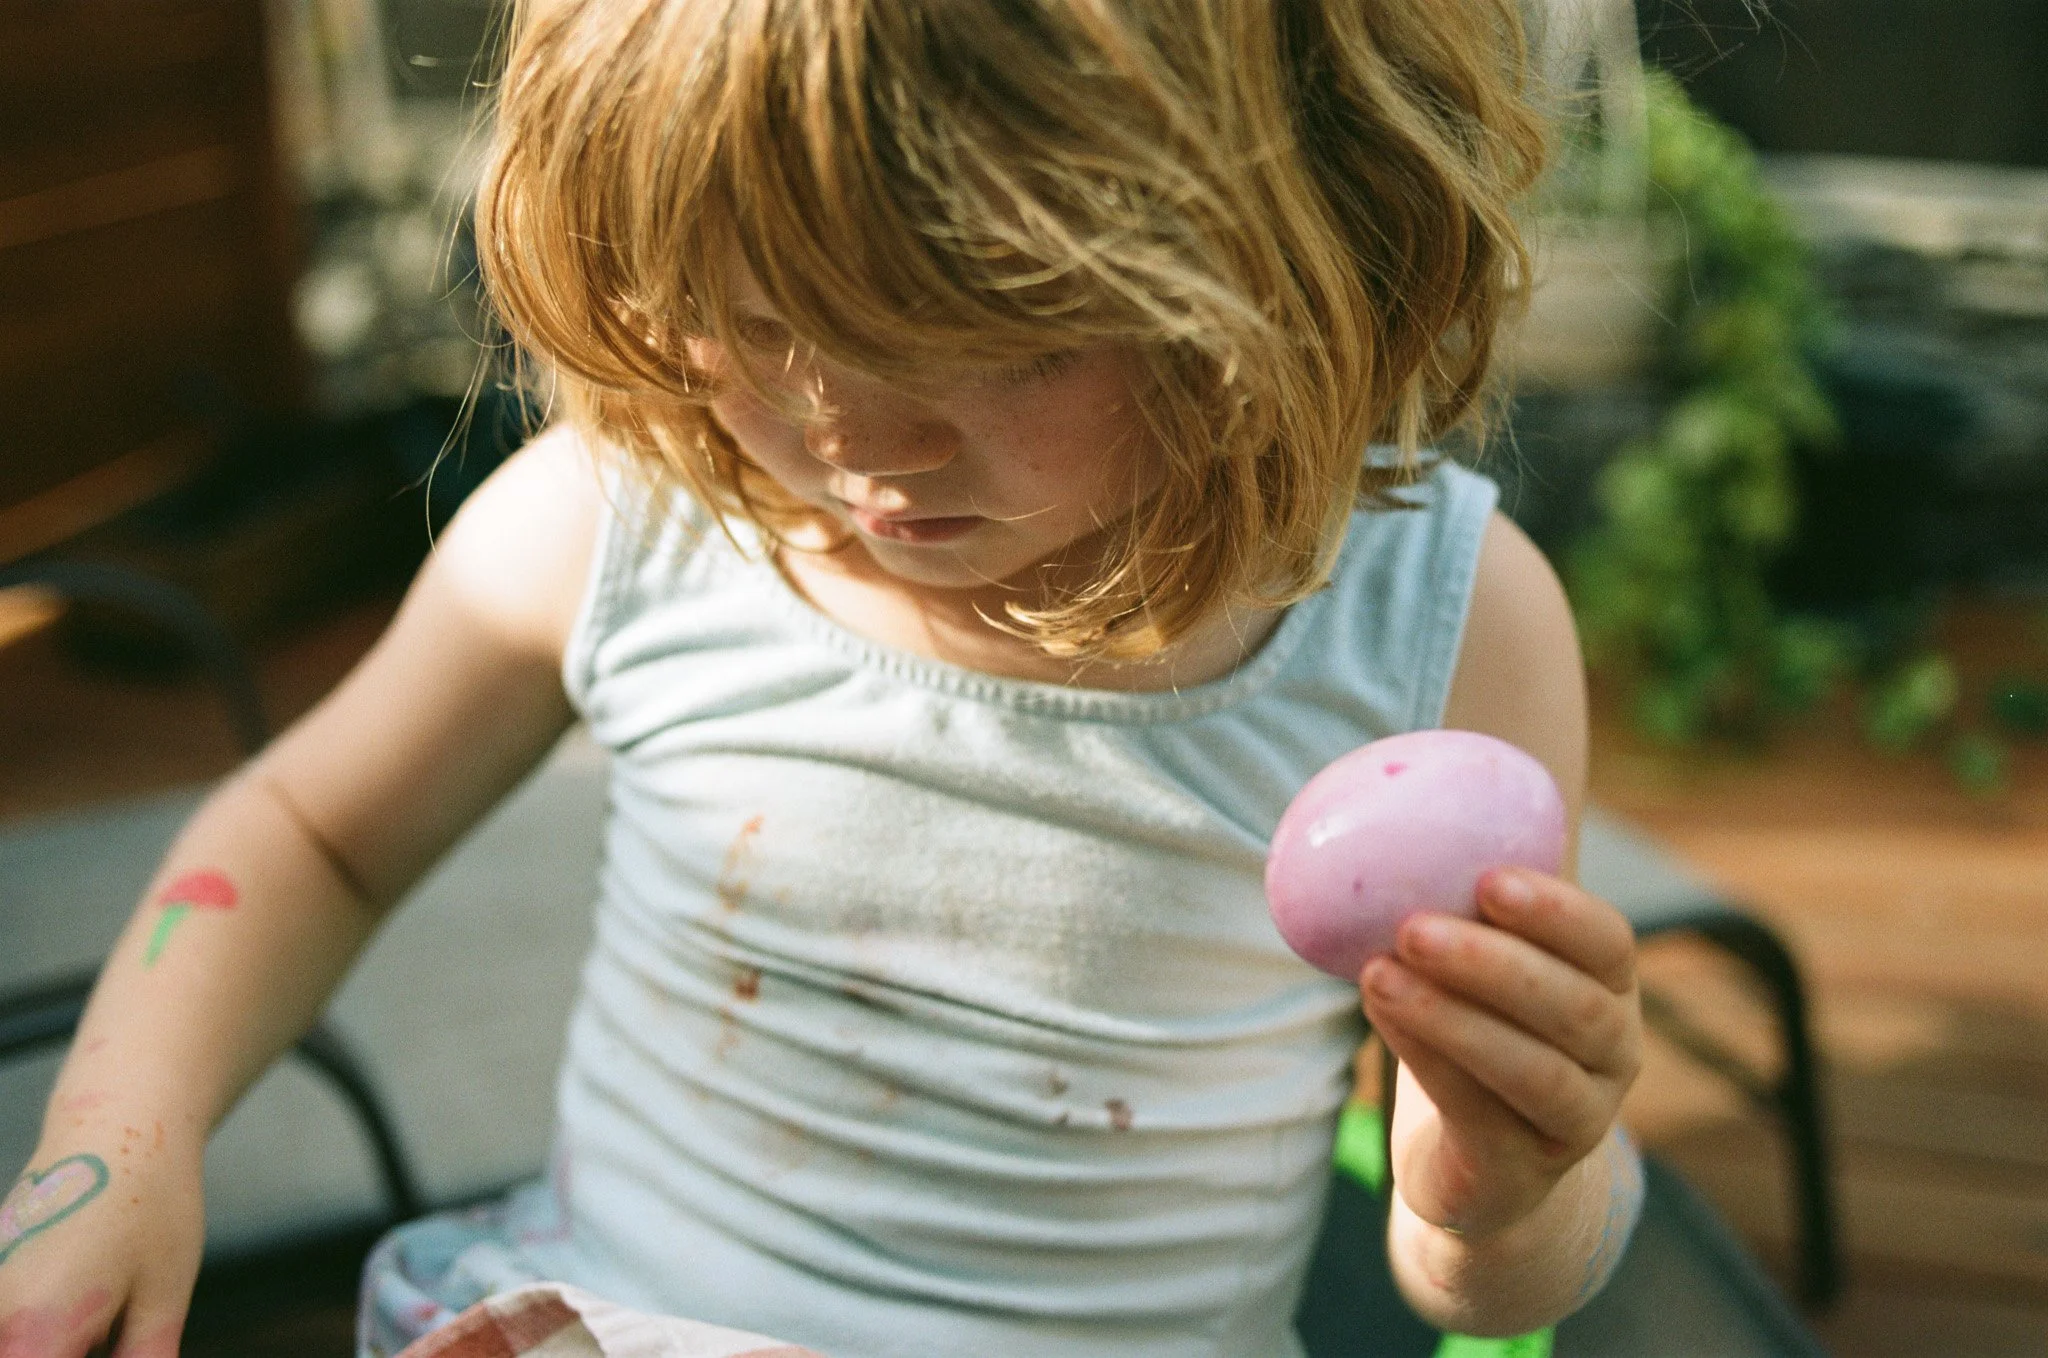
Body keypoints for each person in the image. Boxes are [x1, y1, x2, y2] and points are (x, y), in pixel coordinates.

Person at [0, 0, 1648, 1353]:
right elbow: (317, 830)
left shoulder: (1441, 624)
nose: (856, 441)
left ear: (1302, 220)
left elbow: (1489, 1283)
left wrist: (1499, 1194)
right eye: (750, 312)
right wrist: (115, 1143)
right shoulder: (625, 512)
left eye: (1004, 331)